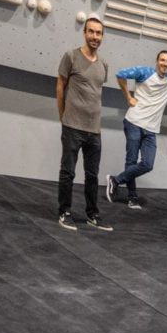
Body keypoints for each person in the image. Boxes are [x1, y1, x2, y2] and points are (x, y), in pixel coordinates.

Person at [108, 50, 167, 209]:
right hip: (134, 122)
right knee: (131, 160)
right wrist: (128, 97)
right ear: (157, 61)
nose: (165, 63)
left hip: (150, 129)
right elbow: (120, 74)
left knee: (147, 164)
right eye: (162, 60)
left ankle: (115, 180)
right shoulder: (145, 72)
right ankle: (132, 197)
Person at [56, 16, 112, 232]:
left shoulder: (104, 64)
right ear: (84, 33)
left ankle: (92, 214)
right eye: (91, 32)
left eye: (99, 33)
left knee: (92, 175)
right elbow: (60, 86)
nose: (95, 36)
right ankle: (64, 211)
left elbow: (95, 91)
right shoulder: (71, 56)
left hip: (94, 130)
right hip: (72, 126)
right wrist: (62, 115)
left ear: (102, 36)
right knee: (68, 172)